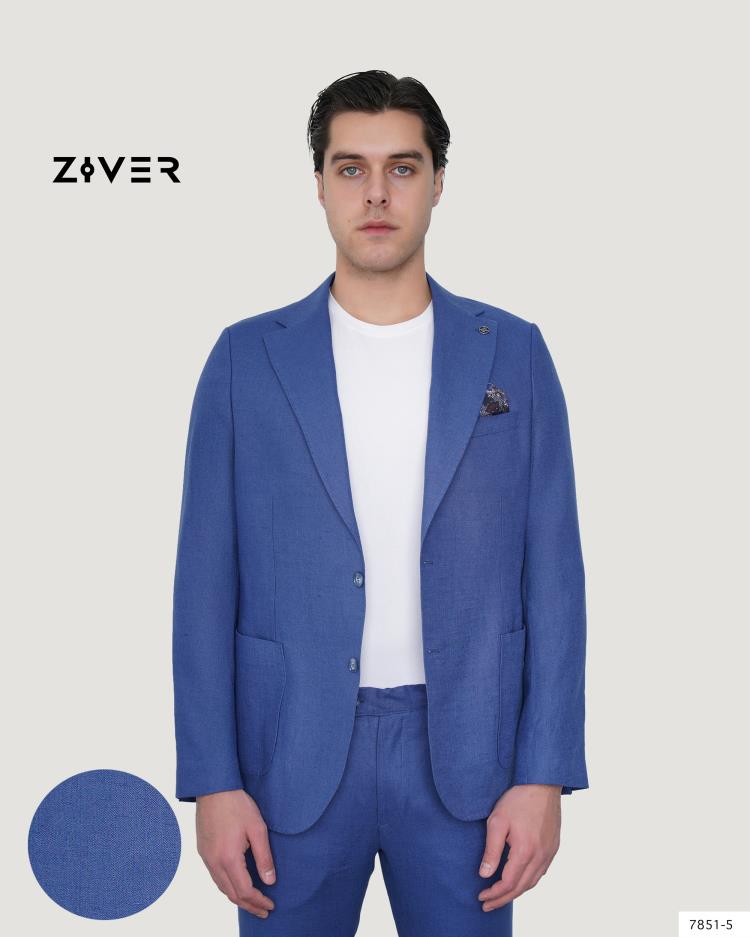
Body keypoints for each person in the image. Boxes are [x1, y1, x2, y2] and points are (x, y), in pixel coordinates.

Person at [172, 69, 589, 936]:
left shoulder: (513, 352)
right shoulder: (245, 359)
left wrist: (543, 771)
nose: (376, 193)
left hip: (471, 764)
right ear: (319, 184)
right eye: (350, 168)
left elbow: (555, 574)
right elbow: (202, 583)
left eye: (402, 167)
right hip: (286, 763)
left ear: (438, 182)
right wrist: (213, 780)